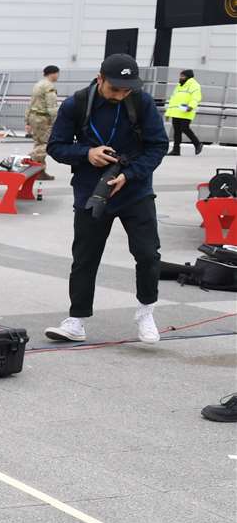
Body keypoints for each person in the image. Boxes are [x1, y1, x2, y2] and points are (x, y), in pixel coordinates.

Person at [42, 53, 169, 346]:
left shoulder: (141, 102)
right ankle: (76, 320)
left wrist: (131, 174)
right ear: (100, 79)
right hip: (91, 189)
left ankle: (146, 311)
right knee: (85, 257)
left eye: (127, 88)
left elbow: (158, 145)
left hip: (134, 189)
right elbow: (56, 146)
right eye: (115, 88)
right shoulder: (76, 104)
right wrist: (87, 154)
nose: (122, 94)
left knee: (148, 253)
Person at [25, 65, 61, 166]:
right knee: (47, 144)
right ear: (53, 73)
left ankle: (39, 170)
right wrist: (57, 121)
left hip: (34, 117)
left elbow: (30, 102)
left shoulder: (38, 84)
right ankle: (27, 158)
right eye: (57, 73)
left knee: (38, 143)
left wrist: (27, 120)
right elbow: (52, 106)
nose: (58, 76)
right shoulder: (49, 86)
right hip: (43, 119)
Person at [166, 69, 203, 156]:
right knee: (177, 131)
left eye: (183, 76)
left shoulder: (194, 85)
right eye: (180, 76)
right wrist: (168, 113)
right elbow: (173, 100)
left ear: (188, 77)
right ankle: (176, 150)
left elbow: (196, 97)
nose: (181, 78)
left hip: (187, 111)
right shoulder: (179, 86)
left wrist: (191, 106)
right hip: (176, 112)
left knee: (184, 128)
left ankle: (197, 144)